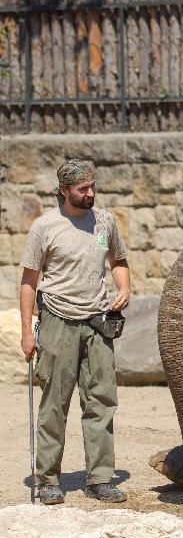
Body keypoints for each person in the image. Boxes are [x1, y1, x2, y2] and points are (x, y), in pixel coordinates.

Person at [20, 159, 130, 505]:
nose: (90, 193)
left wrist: (124, 288)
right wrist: (27, 332)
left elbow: (118, 261)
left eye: (92, 186)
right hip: (57, 321)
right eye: (83, 189)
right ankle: (48, 479)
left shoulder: (104, 222)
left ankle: (100, 478)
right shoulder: (45, 227)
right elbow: (28, 282)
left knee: (101, 401)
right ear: (65, 191)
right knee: (55, 402)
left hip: (98, 321)